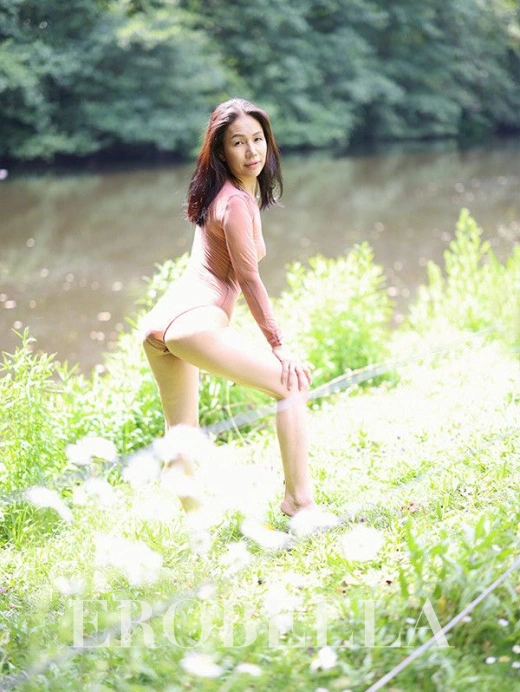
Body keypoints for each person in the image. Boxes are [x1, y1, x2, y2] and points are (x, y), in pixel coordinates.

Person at [141, 98, 336, 526]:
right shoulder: (235, 204)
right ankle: (300, 504)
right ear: (220, 150)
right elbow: (248, 279)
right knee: (291, 386)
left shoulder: (215, 193)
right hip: (194, 319)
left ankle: (198, 530)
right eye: (238, 143)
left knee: (181, 437)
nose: (252, 152)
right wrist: (279, 345)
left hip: (163, 320)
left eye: (258, 139)